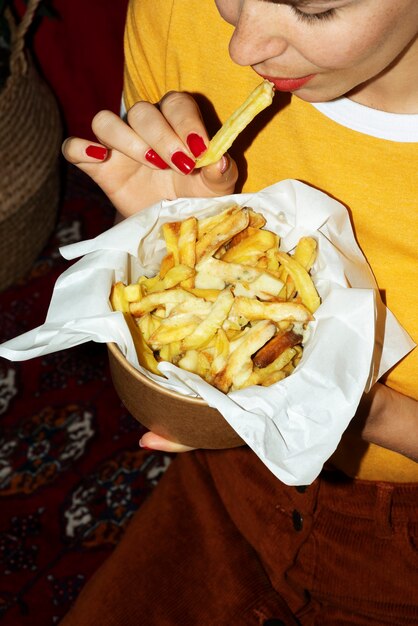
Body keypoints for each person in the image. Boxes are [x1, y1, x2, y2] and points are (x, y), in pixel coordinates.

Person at [60, 0, 418, 623]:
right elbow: (169, 277)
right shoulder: (179, 13)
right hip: (228, 479)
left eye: (314, 9)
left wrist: (363, 411)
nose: (241, 46)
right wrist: (167, 226)